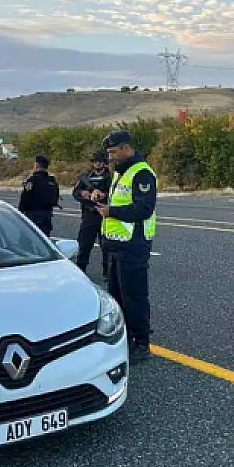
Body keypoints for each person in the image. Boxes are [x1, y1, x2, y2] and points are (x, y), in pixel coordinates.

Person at [96, 130, 156, 361]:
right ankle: (125, 338)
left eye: (113, 152)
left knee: (135, 297)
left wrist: (112, 211)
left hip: (133, 245)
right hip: (115, 245)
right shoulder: (121, 173)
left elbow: (144, 209)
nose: (110, 157)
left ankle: (141, 344)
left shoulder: (141, 173)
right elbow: (120, 201)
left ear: (125, 147)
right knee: (117, 296)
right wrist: (101, 198)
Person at [72, 150, 111, 277]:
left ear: (105, 163)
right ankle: (80, 271)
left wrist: (102, 195)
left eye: (99, 161)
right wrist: (85, 194)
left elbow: (114, 194)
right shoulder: (86, 177)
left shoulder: (110, 177)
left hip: (105, 215)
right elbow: (76, 193)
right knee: (84, 245)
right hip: (89, 215)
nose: (97, 164)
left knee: (106, 247)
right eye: (95, 161)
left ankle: (107, 273)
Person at [18, 155, 60, 236]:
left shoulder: (32, 180)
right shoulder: (52, 180)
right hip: (47, 215)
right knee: (44, 240)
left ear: (36, 165)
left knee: (27, 239)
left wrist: (20, 212)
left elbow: (24, 198)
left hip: (32, 215)